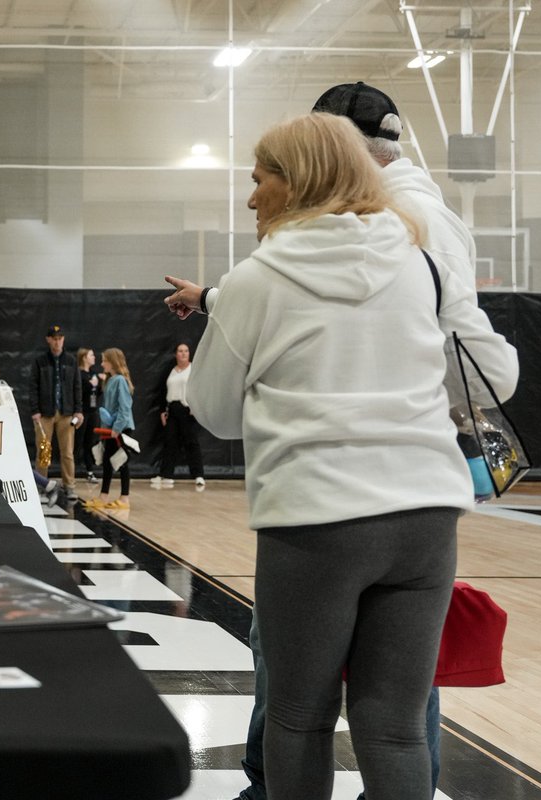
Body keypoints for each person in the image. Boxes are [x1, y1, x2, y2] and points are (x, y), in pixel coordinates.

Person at [165, 83, 512, 800]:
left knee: (300, 716)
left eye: (259, 178)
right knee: (395, 725)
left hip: (319, 518)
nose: (251, 197)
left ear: (297, 181)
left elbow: (218, 414)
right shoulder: (421, 259)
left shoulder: (258, 278)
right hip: (426, 516)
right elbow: (488, 371)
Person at [0, 353, 60, 507]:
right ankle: (47, 484)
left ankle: (46, 485)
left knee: (11, 465)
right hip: (3, 434)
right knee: (15, 464)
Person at [27, 325, 83, 503]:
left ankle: (69, 485)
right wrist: (35, 410)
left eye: (60, 338)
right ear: (48, 339)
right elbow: (33, 386)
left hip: (66, 413)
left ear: (63, 340)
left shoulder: (71, 360)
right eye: (54, 338)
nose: (58, 341)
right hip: (45, 413)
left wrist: (78, 410)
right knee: (44, 451)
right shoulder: (40, 361)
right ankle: (42, 484)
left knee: (67, 452)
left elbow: (77, 386)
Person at [85, 348, 135, 510]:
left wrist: (117, 428)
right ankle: (104, 496)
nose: (101, 363)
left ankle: (124, 498)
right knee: (108, 461)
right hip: (109, 430)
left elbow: (124, 408)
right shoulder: (110, 380)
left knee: (120, 461)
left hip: (120, 429)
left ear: (112, 362)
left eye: (104, 360)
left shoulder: (120, 380)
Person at [151, 342, 205, 490]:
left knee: (191, 442)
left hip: (187, 410)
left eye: (186, 351)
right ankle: (166, 474)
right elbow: (163, 391)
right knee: (170, 442)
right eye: (180, 351)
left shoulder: (193, 369)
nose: (183, 354)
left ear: (189, 353)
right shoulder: (171, 370)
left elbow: (199, 389)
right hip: (172, 409)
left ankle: (198, 475)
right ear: (176, 354)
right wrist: (163, 410)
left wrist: (196, 406)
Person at [75, 347, 100, 483]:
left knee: (90, 442)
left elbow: (96, 393)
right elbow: (79, 392)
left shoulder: (93, 373)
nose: (94, 357)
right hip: (81, 413)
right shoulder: (79, 374)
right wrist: (90, 385)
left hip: (93, 412)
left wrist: (97, 385)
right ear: (84, 357)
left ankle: (90, 471)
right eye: (91, 355)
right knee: (77, 441)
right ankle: (70, 471)